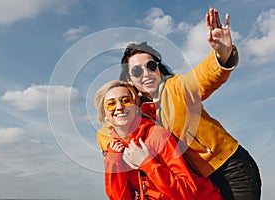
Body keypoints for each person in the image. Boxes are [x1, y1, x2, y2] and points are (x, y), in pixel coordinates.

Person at [97, 8, 261, 200]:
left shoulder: (177, 88)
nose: (146, 74)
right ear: (129, 80)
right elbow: (107, 131)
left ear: (159, 69)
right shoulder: (140, 112)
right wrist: (115, 151)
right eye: (137, 71)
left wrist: (222, 54)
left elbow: (203, 77)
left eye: (151, 66)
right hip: (199, 180)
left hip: (231, 168)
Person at [95, 80, 223, 200]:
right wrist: (113, 162)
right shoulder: (115, 148)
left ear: (135, 107)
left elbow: (187, 191)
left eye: (125, 101)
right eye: (111, 104)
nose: (119, 107)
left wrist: (147, 163)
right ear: (104, 114)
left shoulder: (157, 135)